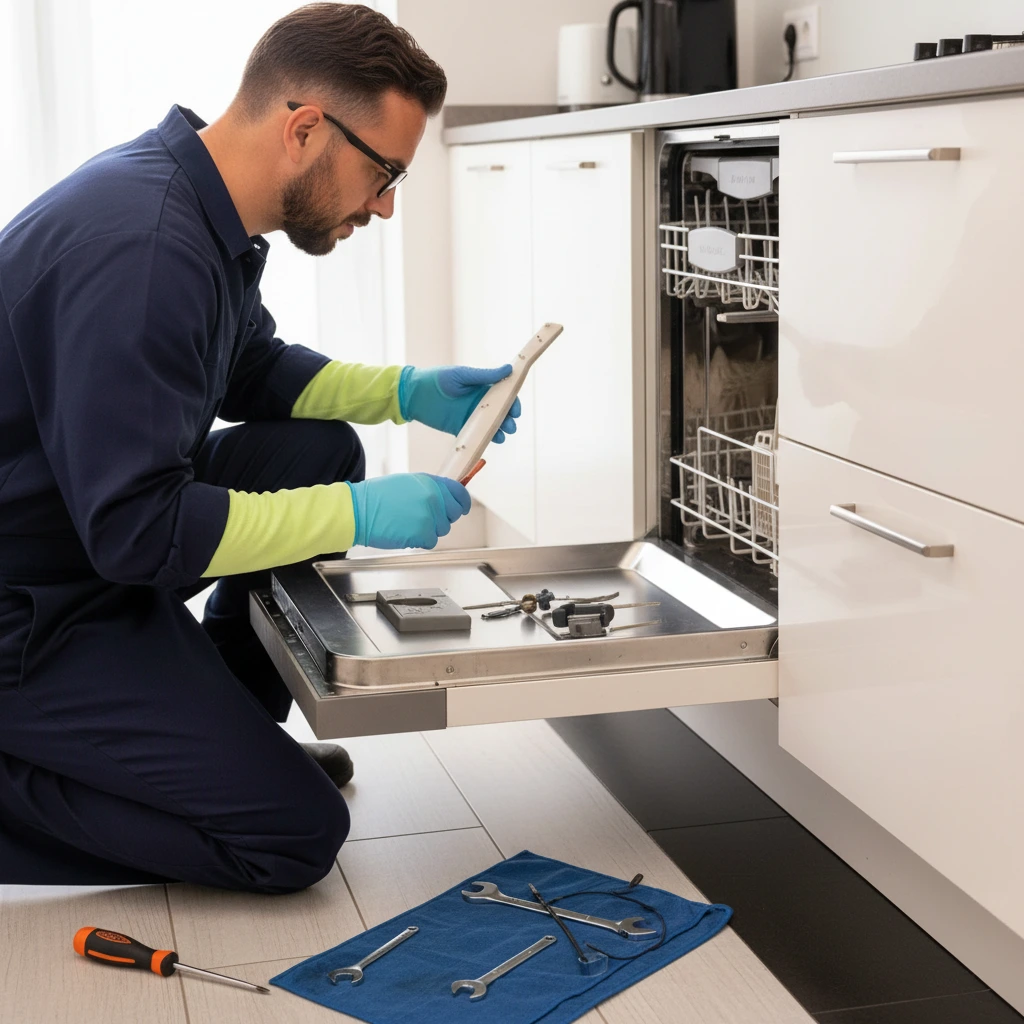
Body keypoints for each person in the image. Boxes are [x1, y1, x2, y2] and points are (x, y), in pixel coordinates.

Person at [0, 2, 520, 891]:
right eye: (384, 171)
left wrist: (409, 393)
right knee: (291, 837)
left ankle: (229, 734)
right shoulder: (147, 251)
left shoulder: (195, 204)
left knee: (314, 450)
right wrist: (364, 515)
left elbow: (255, 370)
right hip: (33, 607)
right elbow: (138, 534)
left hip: (79, 538)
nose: (387, 205)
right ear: (308, 128)